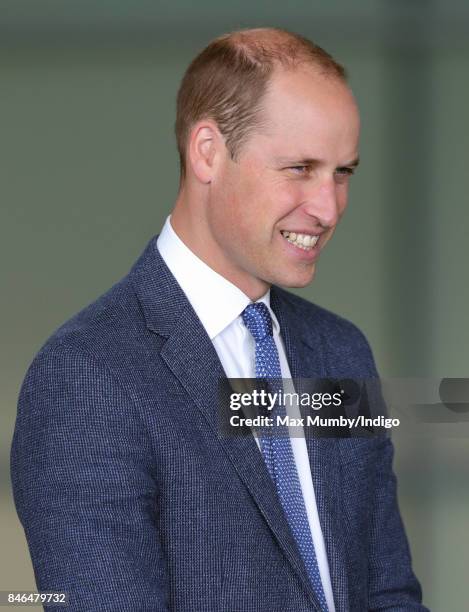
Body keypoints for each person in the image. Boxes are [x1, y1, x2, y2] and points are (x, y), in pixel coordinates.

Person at [11, 28, 427, 611]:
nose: (329, 207)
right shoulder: (85, 376)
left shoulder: (340, 351)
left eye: (343, 172)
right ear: (207, 151)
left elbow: (387, 592)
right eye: (300, 167)